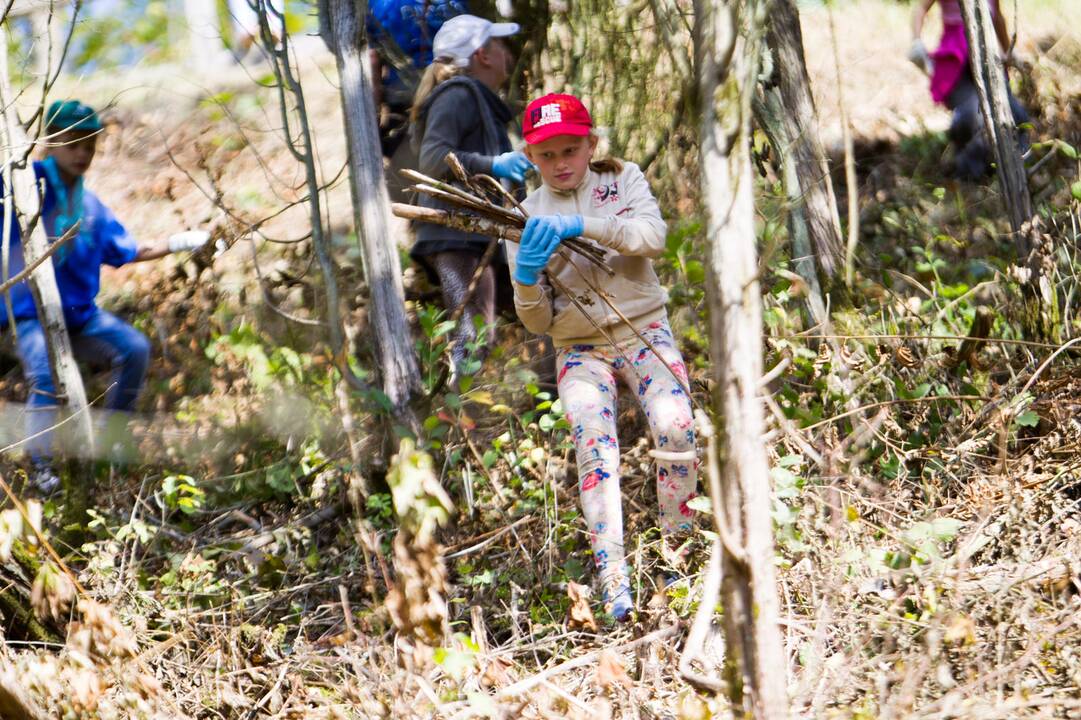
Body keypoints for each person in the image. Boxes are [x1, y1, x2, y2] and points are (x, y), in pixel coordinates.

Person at [506, 93, 697, 622]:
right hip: (578, 349)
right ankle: (613, 578)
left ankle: (677, 557)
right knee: (595, 450)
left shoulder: (622, 180)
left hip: (644, 329)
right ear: (530, 156)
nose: (561, 163)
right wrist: (525, 278)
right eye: (547, 156)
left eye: (572, 149)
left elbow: (653, 237)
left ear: (591, 144)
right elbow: (538, 322)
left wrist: (583, 225)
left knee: (675, 424)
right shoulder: (523, 215)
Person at [2, 101, 214, 493]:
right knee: (47, 375)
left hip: (80, 317)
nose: (82, 154)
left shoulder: (92, 206)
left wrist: (179, 242)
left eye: (89, 146)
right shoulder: (20, 185)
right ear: (50, 143)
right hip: (27, 315)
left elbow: (126, 250)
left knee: (133, 347)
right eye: (72, 144)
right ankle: (40, 466)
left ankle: (111, 437)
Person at [410, 14, 534, 381]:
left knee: (518, 320)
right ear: (482, 54)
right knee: (473, 337)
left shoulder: (476, 99)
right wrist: (494, 164)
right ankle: (465, 419)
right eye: (498, 45)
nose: (505, 54)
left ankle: (530, 406)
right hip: (455, 232)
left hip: (475, 233)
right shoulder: (458, 94)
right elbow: (433, 158)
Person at [909, 0, 1030, 179]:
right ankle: (970, 179)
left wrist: (1009, 52)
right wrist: (916, 41)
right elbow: (920, 8)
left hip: (988, 55)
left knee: (1016, 115)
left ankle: (1015, 171)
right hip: (956, 57)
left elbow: (998, 18)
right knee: (970, 117)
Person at [367, 0, 468, 159]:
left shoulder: (380, 4)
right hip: (454, 95)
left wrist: (374, 112)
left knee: (409, 165)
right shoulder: (455, 3)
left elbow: (373, 59)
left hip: (406, 101)